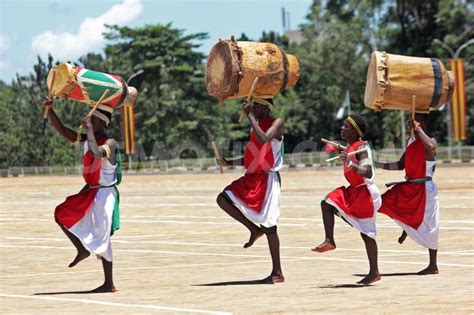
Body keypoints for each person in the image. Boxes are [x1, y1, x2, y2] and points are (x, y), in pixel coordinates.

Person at [44, 98, 121, 293]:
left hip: (105, 194)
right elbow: (65, 133)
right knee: (62, 213)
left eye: (94, 121)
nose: (90, 122)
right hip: (91, 190)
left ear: (102, 123)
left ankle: (108, 283)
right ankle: (81, 249)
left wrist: (88, 128)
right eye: (90, 120)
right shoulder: (89, 138)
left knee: (102, 236)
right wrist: (50, 110)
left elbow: (96, 153)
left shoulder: (110, 143)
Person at [216, 97, 285, 284]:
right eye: (252, 105)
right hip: (253, 177)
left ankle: (277, 272)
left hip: (268, 178)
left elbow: (264, 140)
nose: (253, 107)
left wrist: (249, 117)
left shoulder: (277, 123)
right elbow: (253, 155)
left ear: (266, 106)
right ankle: (254, 229)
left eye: (256, 104)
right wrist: (229, 162)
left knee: (270, 226)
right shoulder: (255, 126)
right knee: (223, 198)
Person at [312, 114, 382, 285]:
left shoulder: (362, 148)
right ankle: (330, 240)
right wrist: (340, 149)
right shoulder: (352, 147)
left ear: (355, 131)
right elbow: (350, 152)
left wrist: (350, 163)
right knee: (327, 202)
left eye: (346, 126)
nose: (341, 128)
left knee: (367, 234)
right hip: (356, 192)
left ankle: (374, 272)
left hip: (365, 194)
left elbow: (368, 172)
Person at [375, 113, 439, 275]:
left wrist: (418, 128)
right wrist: (376, 163)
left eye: (414, 120)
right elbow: (400, 164)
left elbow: (431, 146)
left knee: (430, 226)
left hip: (425, 189)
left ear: (422, 122)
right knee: (383, 202)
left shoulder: (428, 140)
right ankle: (407, 226)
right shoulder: (411, 141)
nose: (410, 122)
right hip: (409, 188)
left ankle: (433, 265)